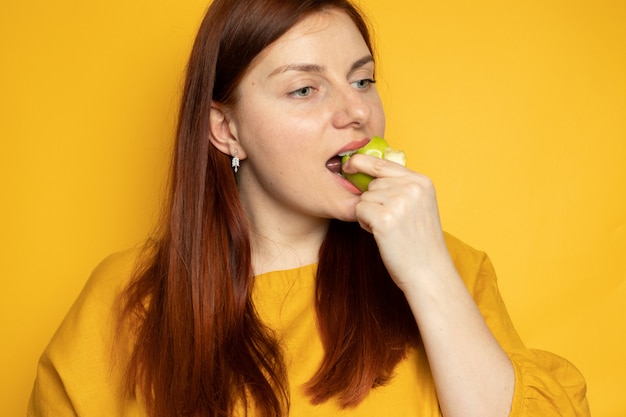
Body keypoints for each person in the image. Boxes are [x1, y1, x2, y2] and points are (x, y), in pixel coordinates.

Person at [28, 0, 591, 416]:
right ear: (225, 130)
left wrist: (428, 273)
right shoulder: (126, 303)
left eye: (363, 80)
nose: (357, 112)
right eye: (305, 89)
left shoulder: (452, 272)